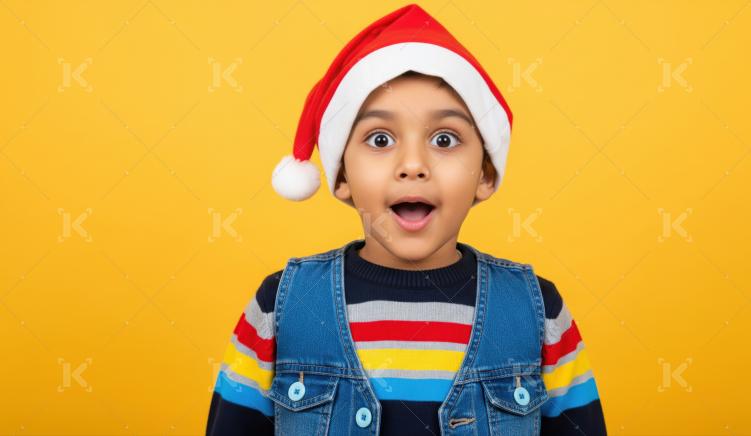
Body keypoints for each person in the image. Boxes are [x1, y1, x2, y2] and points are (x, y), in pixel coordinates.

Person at [206, 4, 607, 435]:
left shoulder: (539, 314)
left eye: (444, 139)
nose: (413, 165)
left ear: (486, 174)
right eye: (380, 139)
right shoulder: (280, 307)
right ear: (341, 175)